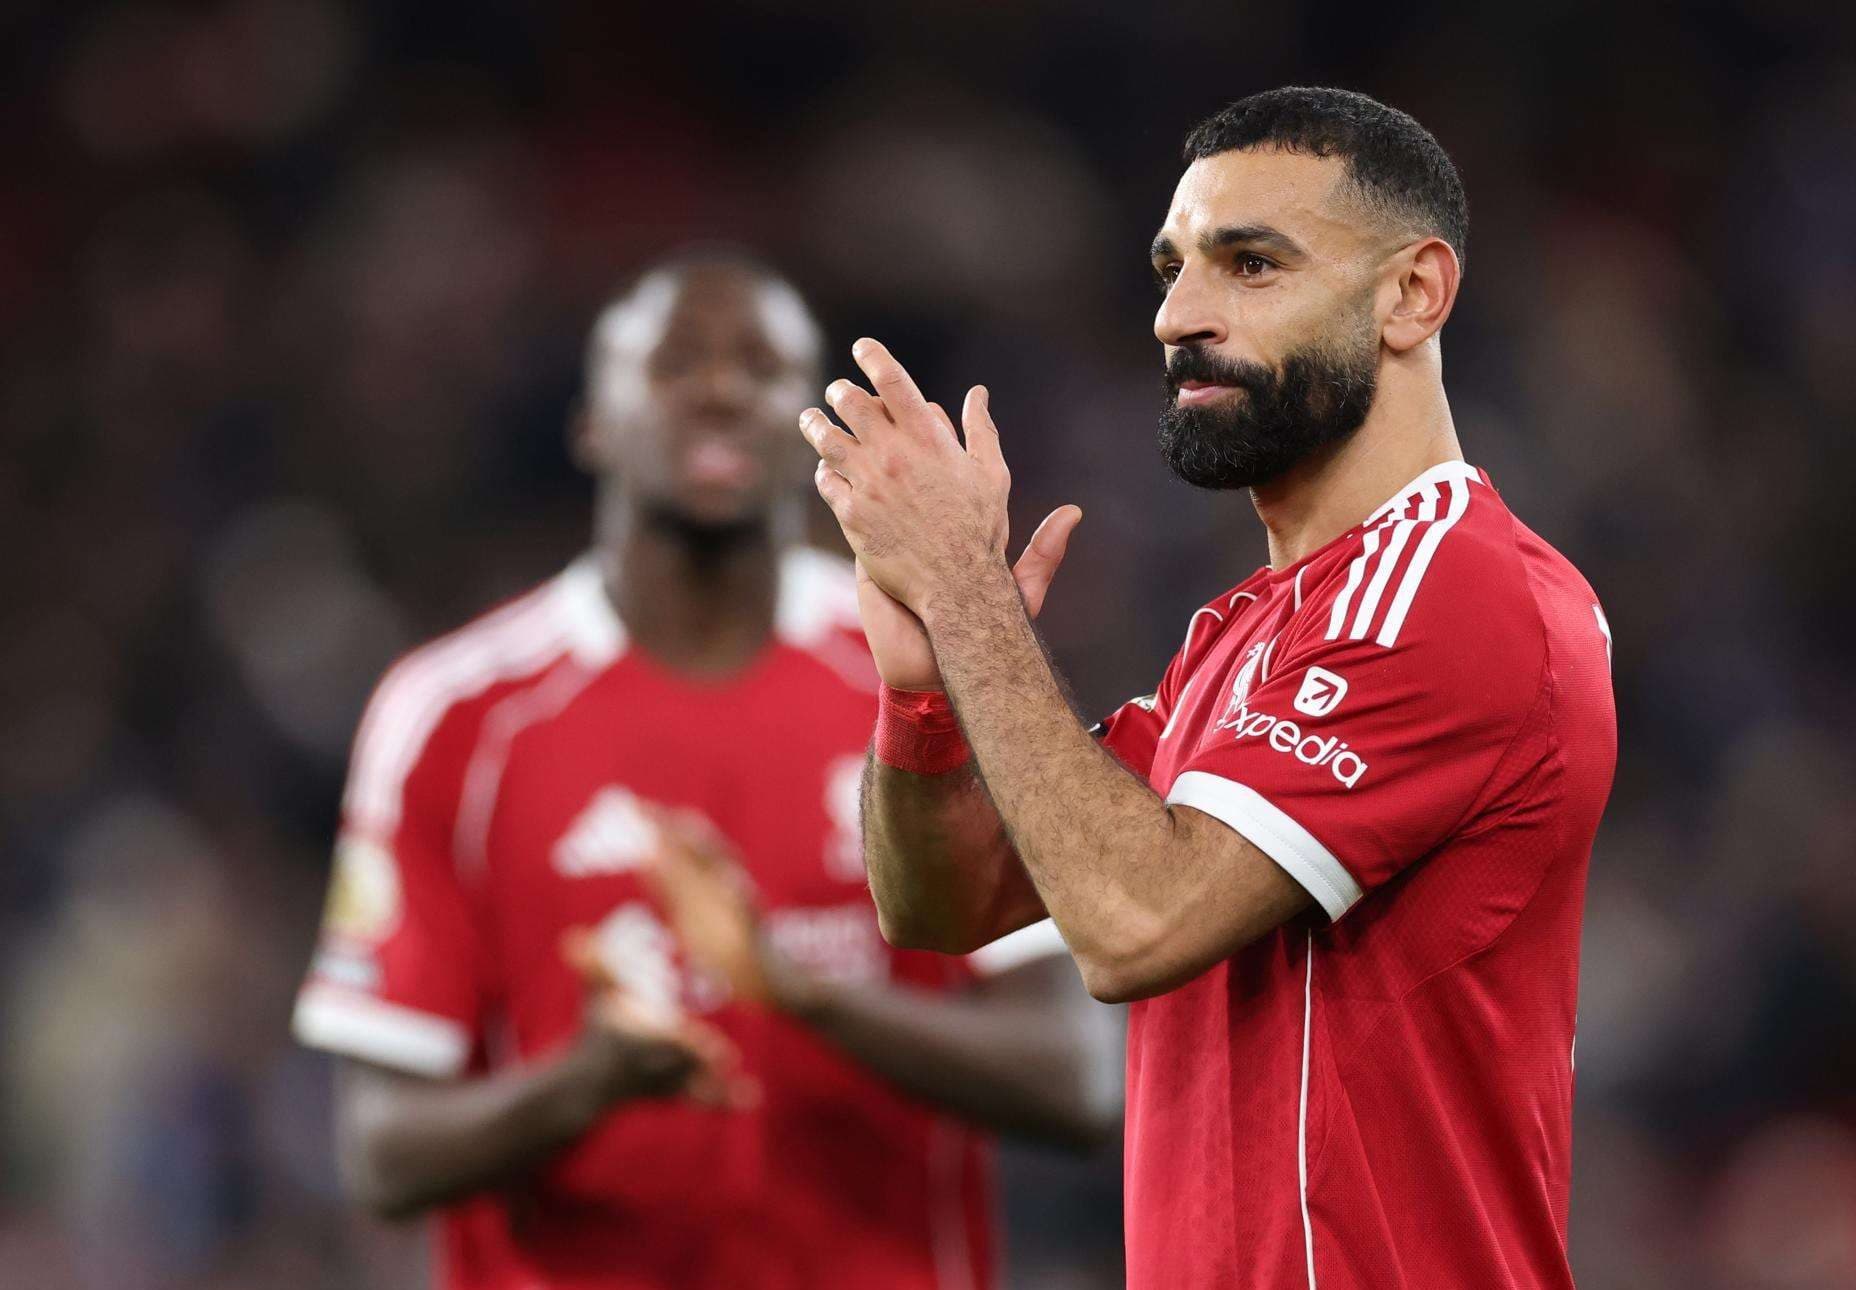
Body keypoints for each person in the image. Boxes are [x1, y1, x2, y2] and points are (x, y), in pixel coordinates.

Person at [799, 87, 1618, 1289]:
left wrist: (972, 600)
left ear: (1412, 294)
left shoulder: (1458, 591)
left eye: (1251, 265)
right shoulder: (1250, 630)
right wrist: (927, 686)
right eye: (1172, 269)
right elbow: (945, 904)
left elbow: (1136, 923)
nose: (1180, 317)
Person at [290, 251, 1121, 1290]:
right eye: (675, 363)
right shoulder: (452, 715)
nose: (722, 386)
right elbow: (383, 1151)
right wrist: (588, 1081)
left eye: (764, 368)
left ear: (817, 433)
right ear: (593, 423)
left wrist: (795, 993)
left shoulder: (929, 674)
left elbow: (1080, 1085)